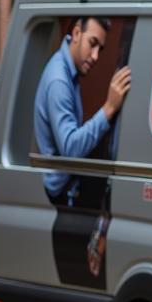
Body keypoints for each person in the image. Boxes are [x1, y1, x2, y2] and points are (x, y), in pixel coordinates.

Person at [33, 16, 131, 206]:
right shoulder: (59, 81)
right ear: (76, 33)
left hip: (67, 188)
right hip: (59, 196)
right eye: (92, 43)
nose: (95, 56)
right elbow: (71, 149)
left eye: (100, 49)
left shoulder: (67, 69)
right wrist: (109, 107)